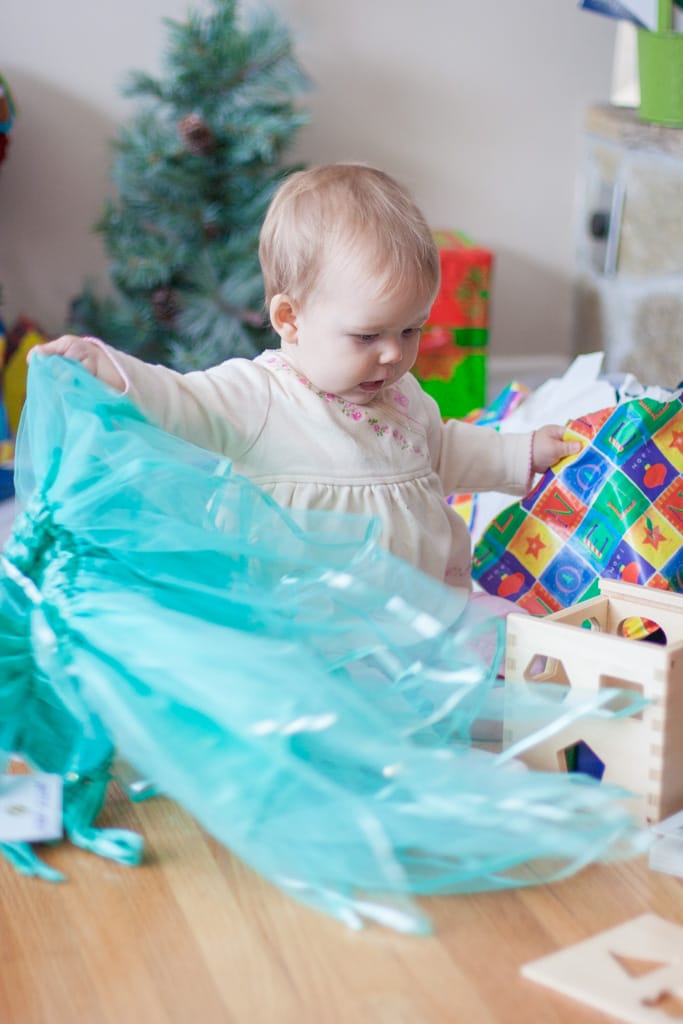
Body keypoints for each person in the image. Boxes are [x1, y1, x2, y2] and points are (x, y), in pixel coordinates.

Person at [36, 162, 579, 593]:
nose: (394, 353)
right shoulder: (260, 395)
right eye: (367, 336)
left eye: (411, 329)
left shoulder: (402, 396)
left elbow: (442, 451)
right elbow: (180, 399)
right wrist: (111, 370)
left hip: (416, 614)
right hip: (304, 619)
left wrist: (519, 452)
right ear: (290, 319)